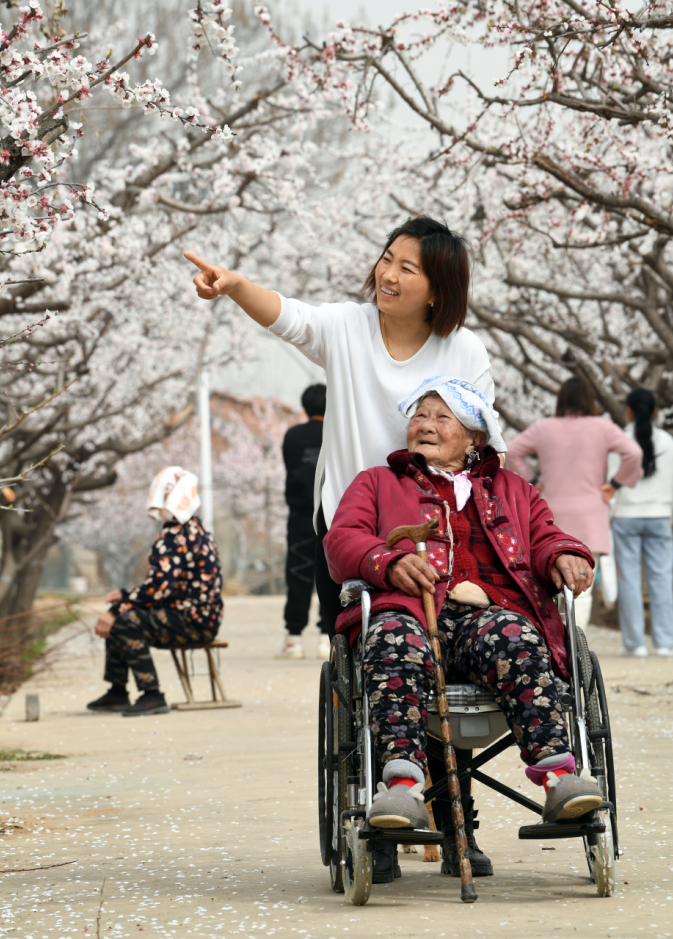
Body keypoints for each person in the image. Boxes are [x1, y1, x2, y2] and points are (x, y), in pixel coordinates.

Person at [324, 378, 601, 883]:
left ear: (474, 436)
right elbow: (343, 540)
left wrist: (564, 553)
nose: (425, 424)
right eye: (419, 415)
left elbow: (544, 537)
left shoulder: (516, 490)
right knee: (391, 640)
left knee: (515, 636)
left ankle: (560, 778)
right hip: (410, 611)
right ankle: (403, 789)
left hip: (487, 614)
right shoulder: (376, 483)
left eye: (441, 417)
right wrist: (385, 559)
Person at [184, 216, 502, 636]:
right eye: (386, 260)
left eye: (407, 269)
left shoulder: (464, 350)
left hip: (437, 527)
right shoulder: (349, 327)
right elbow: (289, 317)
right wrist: (237, 287)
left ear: (438, 289)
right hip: (350, 526)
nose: (387, 275)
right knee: (355, 648)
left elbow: (486, 450)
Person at [506, 376, 642, 629]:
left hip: (551, 515)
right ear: (589, 400)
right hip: (591, 513)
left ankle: (556, 643)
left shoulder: (543, 427)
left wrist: (534, 481)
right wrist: (615, 483)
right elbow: (633, 453)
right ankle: (578, 647)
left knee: (550, 581)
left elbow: (512, 450)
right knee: (583, 583)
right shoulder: (602, 426)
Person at [87, 467, 223, 717]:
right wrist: (126, 596)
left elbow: (158, 589)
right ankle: (118, 692)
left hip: (189, 621)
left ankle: (151, 694)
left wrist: (118, 608)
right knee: (122, 616)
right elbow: (168, 586)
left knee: (122, 621)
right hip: (204, 618)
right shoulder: (197, 529)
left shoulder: (173, 536)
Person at [611, 389, 673, 656]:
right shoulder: (669, 442)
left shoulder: (619, 441)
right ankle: (664, 643)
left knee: (629, 581)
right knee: (662, 579)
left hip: (625, 516)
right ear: (656, 410)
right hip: (659, 516)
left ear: (628, 411)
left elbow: (610, 481)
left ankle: (635, 644)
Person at [279, 383, 330, 660]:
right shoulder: (335, 433)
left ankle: (293, 640)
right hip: (330, 516)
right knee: (330, 575)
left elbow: (290, 468)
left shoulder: (293, 436)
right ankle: (326, 638)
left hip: (300, 517)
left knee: (297, 575)